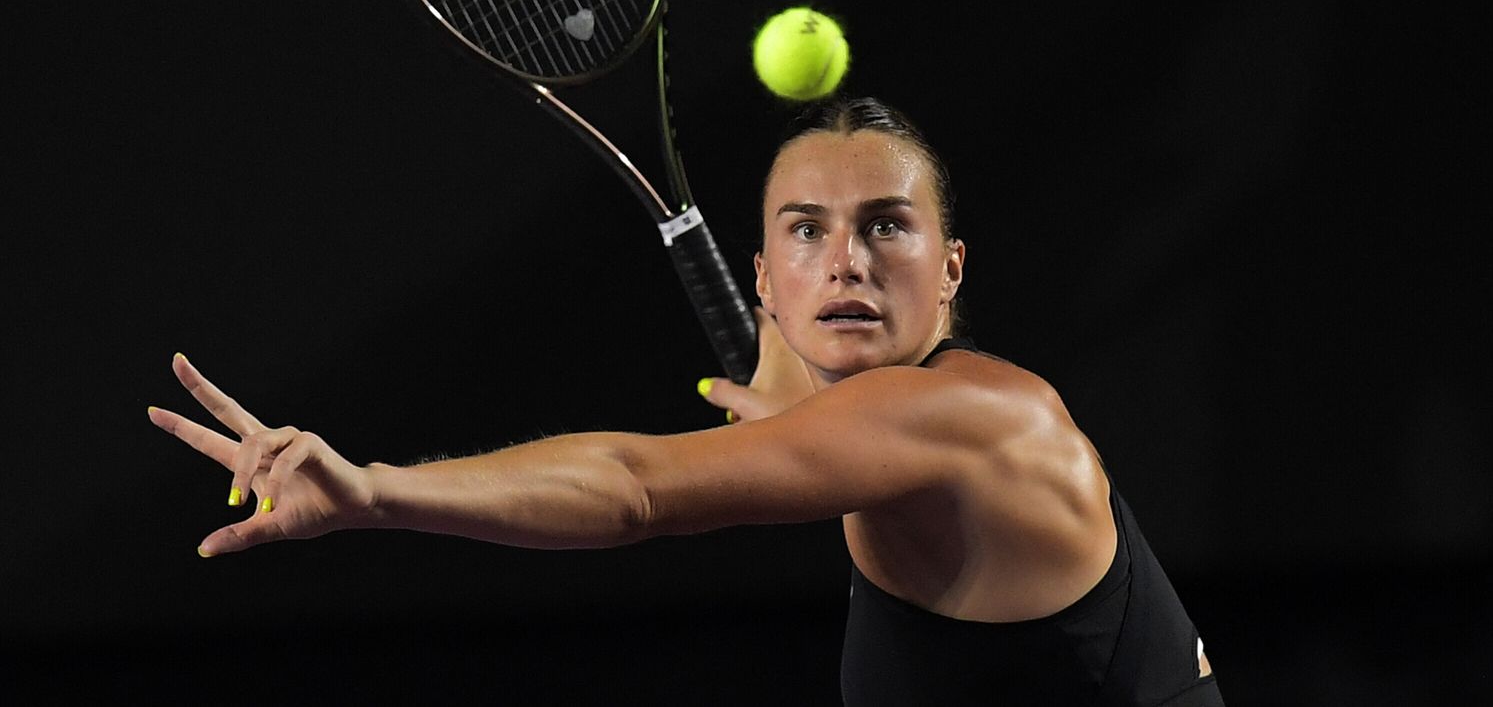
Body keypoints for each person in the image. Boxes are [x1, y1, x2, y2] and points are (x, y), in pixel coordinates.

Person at [150, 96, 1222, 706]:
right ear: (762, 281)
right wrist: (793, 413)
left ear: (949, 272)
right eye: (807, 230)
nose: (846, 258)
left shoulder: (974, 418)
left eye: (887, 226)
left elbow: (637, 487)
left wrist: (376, 490)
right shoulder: (855, 420)